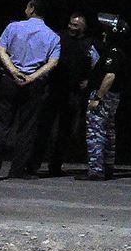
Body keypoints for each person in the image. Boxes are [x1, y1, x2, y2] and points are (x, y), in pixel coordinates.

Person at [0, 0, 61, 181]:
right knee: (28, 127)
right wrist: (32, 76)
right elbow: (53, 62)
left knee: (1, 124)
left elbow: (0, 50)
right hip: (34, 83)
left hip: (10, 80)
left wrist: (13, 71)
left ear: (31, 9)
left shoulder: (13, 27)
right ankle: (17, 170)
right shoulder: (53, 36)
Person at [32, 11, 98, 176]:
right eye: (70, 23)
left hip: (73, 93)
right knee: (43, 128)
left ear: (83, 27)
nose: (71, 27)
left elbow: (96, 65)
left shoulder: (89, 44)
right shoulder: (58, 37)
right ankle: (33, 164)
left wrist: (89, 81)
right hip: (54, 89)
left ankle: (55, 166)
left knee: (65, 131)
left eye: (75, 25)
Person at [76, 13, 129, 181]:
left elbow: (110, 75)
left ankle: (96, 170)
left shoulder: (113, 53)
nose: (104, 34)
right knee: (108, 131)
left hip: (104, 97)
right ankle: (107, 166)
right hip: (112, 97)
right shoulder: (117, 52)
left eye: (107, 31)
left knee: (95, 132)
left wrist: (98, 97)